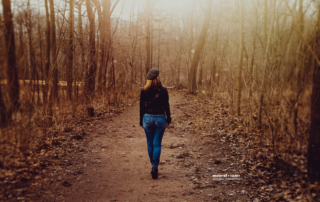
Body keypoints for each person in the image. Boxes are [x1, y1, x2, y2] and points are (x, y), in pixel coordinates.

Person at [140, 68, 171, 179]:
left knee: (149, 143)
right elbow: (166, 105)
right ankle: (154, 166)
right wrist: (169, 119)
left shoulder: (144, 90)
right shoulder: (163, 90)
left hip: (147, 118)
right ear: (158, 78)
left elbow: (142, 107)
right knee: (157, 143)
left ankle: (153, 165)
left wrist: (141, 121)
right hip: (160, 118)